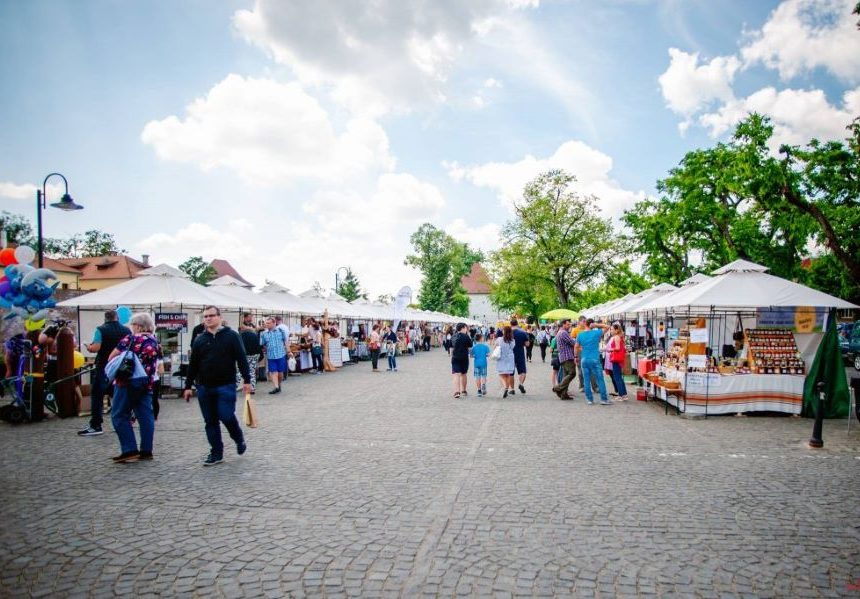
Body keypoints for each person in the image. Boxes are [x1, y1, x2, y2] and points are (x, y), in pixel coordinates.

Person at [183, 306, 251, 466]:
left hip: (225, 384)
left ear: (219, 317)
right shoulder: (200, 340)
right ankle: (216, 452)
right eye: (205, 316)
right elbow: (193, 365)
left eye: (211, 316)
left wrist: (247, 381)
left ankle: (238, 438)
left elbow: (241, 358)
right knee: (210, 420)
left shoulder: (232, 336)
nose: (208, 319)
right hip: (204, 386)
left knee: (226, 415)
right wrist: (187, 386)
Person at [107, 312, 162, 462]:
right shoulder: (154, 341)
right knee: (145, 416)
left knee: (119, 414)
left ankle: (129, 449)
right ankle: (146, 450)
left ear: (138, 326)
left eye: (132, 325)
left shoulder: (130, 339)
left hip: (127, 382)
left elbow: (111, 357)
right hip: (147, 383)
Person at [78, 310, 131, 436]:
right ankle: (126, 420)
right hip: (121, 367)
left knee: (97, 394)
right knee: (119, 394)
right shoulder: (127, 330)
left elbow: (95, 348)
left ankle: (96, 425)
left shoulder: (100, 329)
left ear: (105, 318)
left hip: (104, 367)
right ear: (117, 317)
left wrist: (87, 346)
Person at [576, 318, 611, 405]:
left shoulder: (580, 335)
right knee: (600, 379)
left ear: (585, 324)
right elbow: (607, 327)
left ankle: (590, 400)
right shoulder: (596, 333)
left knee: (586, 380)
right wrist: (596, 325)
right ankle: (603, 399)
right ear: (592, 324)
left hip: (584, 359)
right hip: (595, 359)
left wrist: (577, 355)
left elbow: (576, 346)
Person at [260, 317, 289, 394]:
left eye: (268, 323)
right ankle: (276, 387)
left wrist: (289, 351)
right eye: (266, 323)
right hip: (271, 356)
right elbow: (262, 344)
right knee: (273, 372)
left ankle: (279, 385)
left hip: (281, 355)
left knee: (280, 374)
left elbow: (285, 341)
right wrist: (265, 348)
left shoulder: (280, 331)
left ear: (274, 323)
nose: (267, 325)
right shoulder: (264, 334)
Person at [551, 319, 577, 400]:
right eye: (568, 324)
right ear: (563, 325)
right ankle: (558, 388)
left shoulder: (560, 332)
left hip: (563, 356)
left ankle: (563, 394)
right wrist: (578, 341)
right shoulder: (563, 332)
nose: (569, 326)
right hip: (567, 356)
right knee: (572, 373)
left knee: (566, 375)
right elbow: (572, 342)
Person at [237, 313, 261, 394]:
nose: (251, 319)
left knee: (240, 371)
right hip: (254, 355)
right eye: (250, 317)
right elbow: (258, 346)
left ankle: (235, 387)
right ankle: (252, 388)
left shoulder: (240, 336)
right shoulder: (253, 334)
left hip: (245, 355)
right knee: (251, 371)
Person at [606, 322, 629, 401]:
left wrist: (610, 350)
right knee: (619, 377)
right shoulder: (619, 336)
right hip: (618, 359)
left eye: (612, 329)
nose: (611, 331)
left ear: (616, 330)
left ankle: (621, 395)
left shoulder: (616, 337)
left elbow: (618, 348)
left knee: (617, 377)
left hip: (616, 359)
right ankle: (624, 394)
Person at [450, 323, 472, 398]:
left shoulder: (453, 336)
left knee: (456, 374)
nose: (466, 329)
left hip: (455, 358)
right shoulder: (466, 336)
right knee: (464, 374)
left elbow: (451, 348)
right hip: (464, 358)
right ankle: (464, 390)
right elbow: (470, 347)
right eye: (466, 328)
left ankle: (457, 392)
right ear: (463, 328)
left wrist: (452, 355)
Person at [495, 326, 516, 397]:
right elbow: (512, 347)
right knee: (508, 375)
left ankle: (505, 387)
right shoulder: (512, 340)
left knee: (501, 374)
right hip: (510, 358)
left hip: (502, 357)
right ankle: (507, 388)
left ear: (504, 331)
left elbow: (495, 347)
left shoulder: (499, 339)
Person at [510, 318, 529, 394]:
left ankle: (512, 389)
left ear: (510, 324)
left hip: (510, 354)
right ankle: (521, 384)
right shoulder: (522, 332)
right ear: (517, 324)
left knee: (511, 372)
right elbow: (527, 344)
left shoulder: (508, 333)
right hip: (520, 353)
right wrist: (522, 343)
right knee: (523, 371)